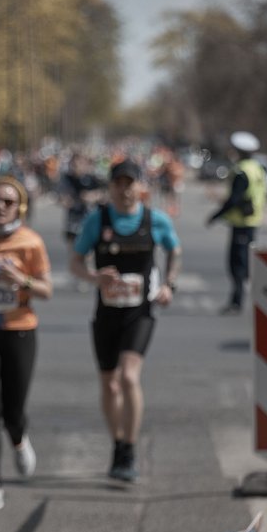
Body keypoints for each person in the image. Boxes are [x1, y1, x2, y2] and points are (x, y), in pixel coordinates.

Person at [69, 158, 181, 483]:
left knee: (130, 377)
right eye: (118, 183)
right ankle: (117, 443)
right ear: (111, 187)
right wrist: (93, 277)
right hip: (106, 312)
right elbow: (75, 261)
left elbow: (175, 250)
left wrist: (168, 285)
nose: (124, 189)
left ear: (140, 186)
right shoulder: (97, 221)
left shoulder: (154, 220)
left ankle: (130, 447)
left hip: (140, 311)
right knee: (109, 383)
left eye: (130, 183)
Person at [0, 176, 53, 512]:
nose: (0, 208)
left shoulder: (30, 242)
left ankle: (18, 439)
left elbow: (47, 290)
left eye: (8, 202)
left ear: (20, 207)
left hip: (19, 331)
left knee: (13, 410)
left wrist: (22, 280)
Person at [206, 131, 267, 315]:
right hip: (252, 221)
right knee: (244, 263)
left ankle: (237, 301)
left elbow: (234, 199)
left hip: (241, 223)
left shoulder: (242, 171)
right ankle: (239, 299)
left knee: (237, 265)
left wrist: (216, 216)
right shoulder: (257, 168)